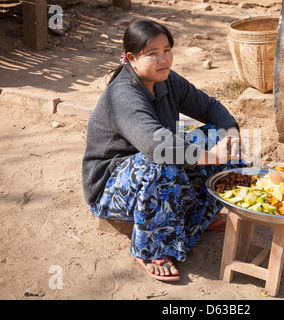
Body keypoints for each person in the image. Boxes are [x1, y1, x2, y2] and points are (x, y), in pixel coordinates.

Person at [82, 19, 245, 281]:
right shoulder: (123, 95)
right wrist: (213, 156)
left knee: (219, 137)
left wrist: (231, 134)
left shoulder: (167, 80)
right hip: (113, 190)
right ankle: (151, 249)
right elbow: (158, 146)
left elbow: (209, 107)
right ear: (131, 59)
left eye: (167, 49)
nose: (163, 59)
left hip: (159, 168)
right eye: (152, 53)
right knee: (160, 161)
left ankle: (197, 220)